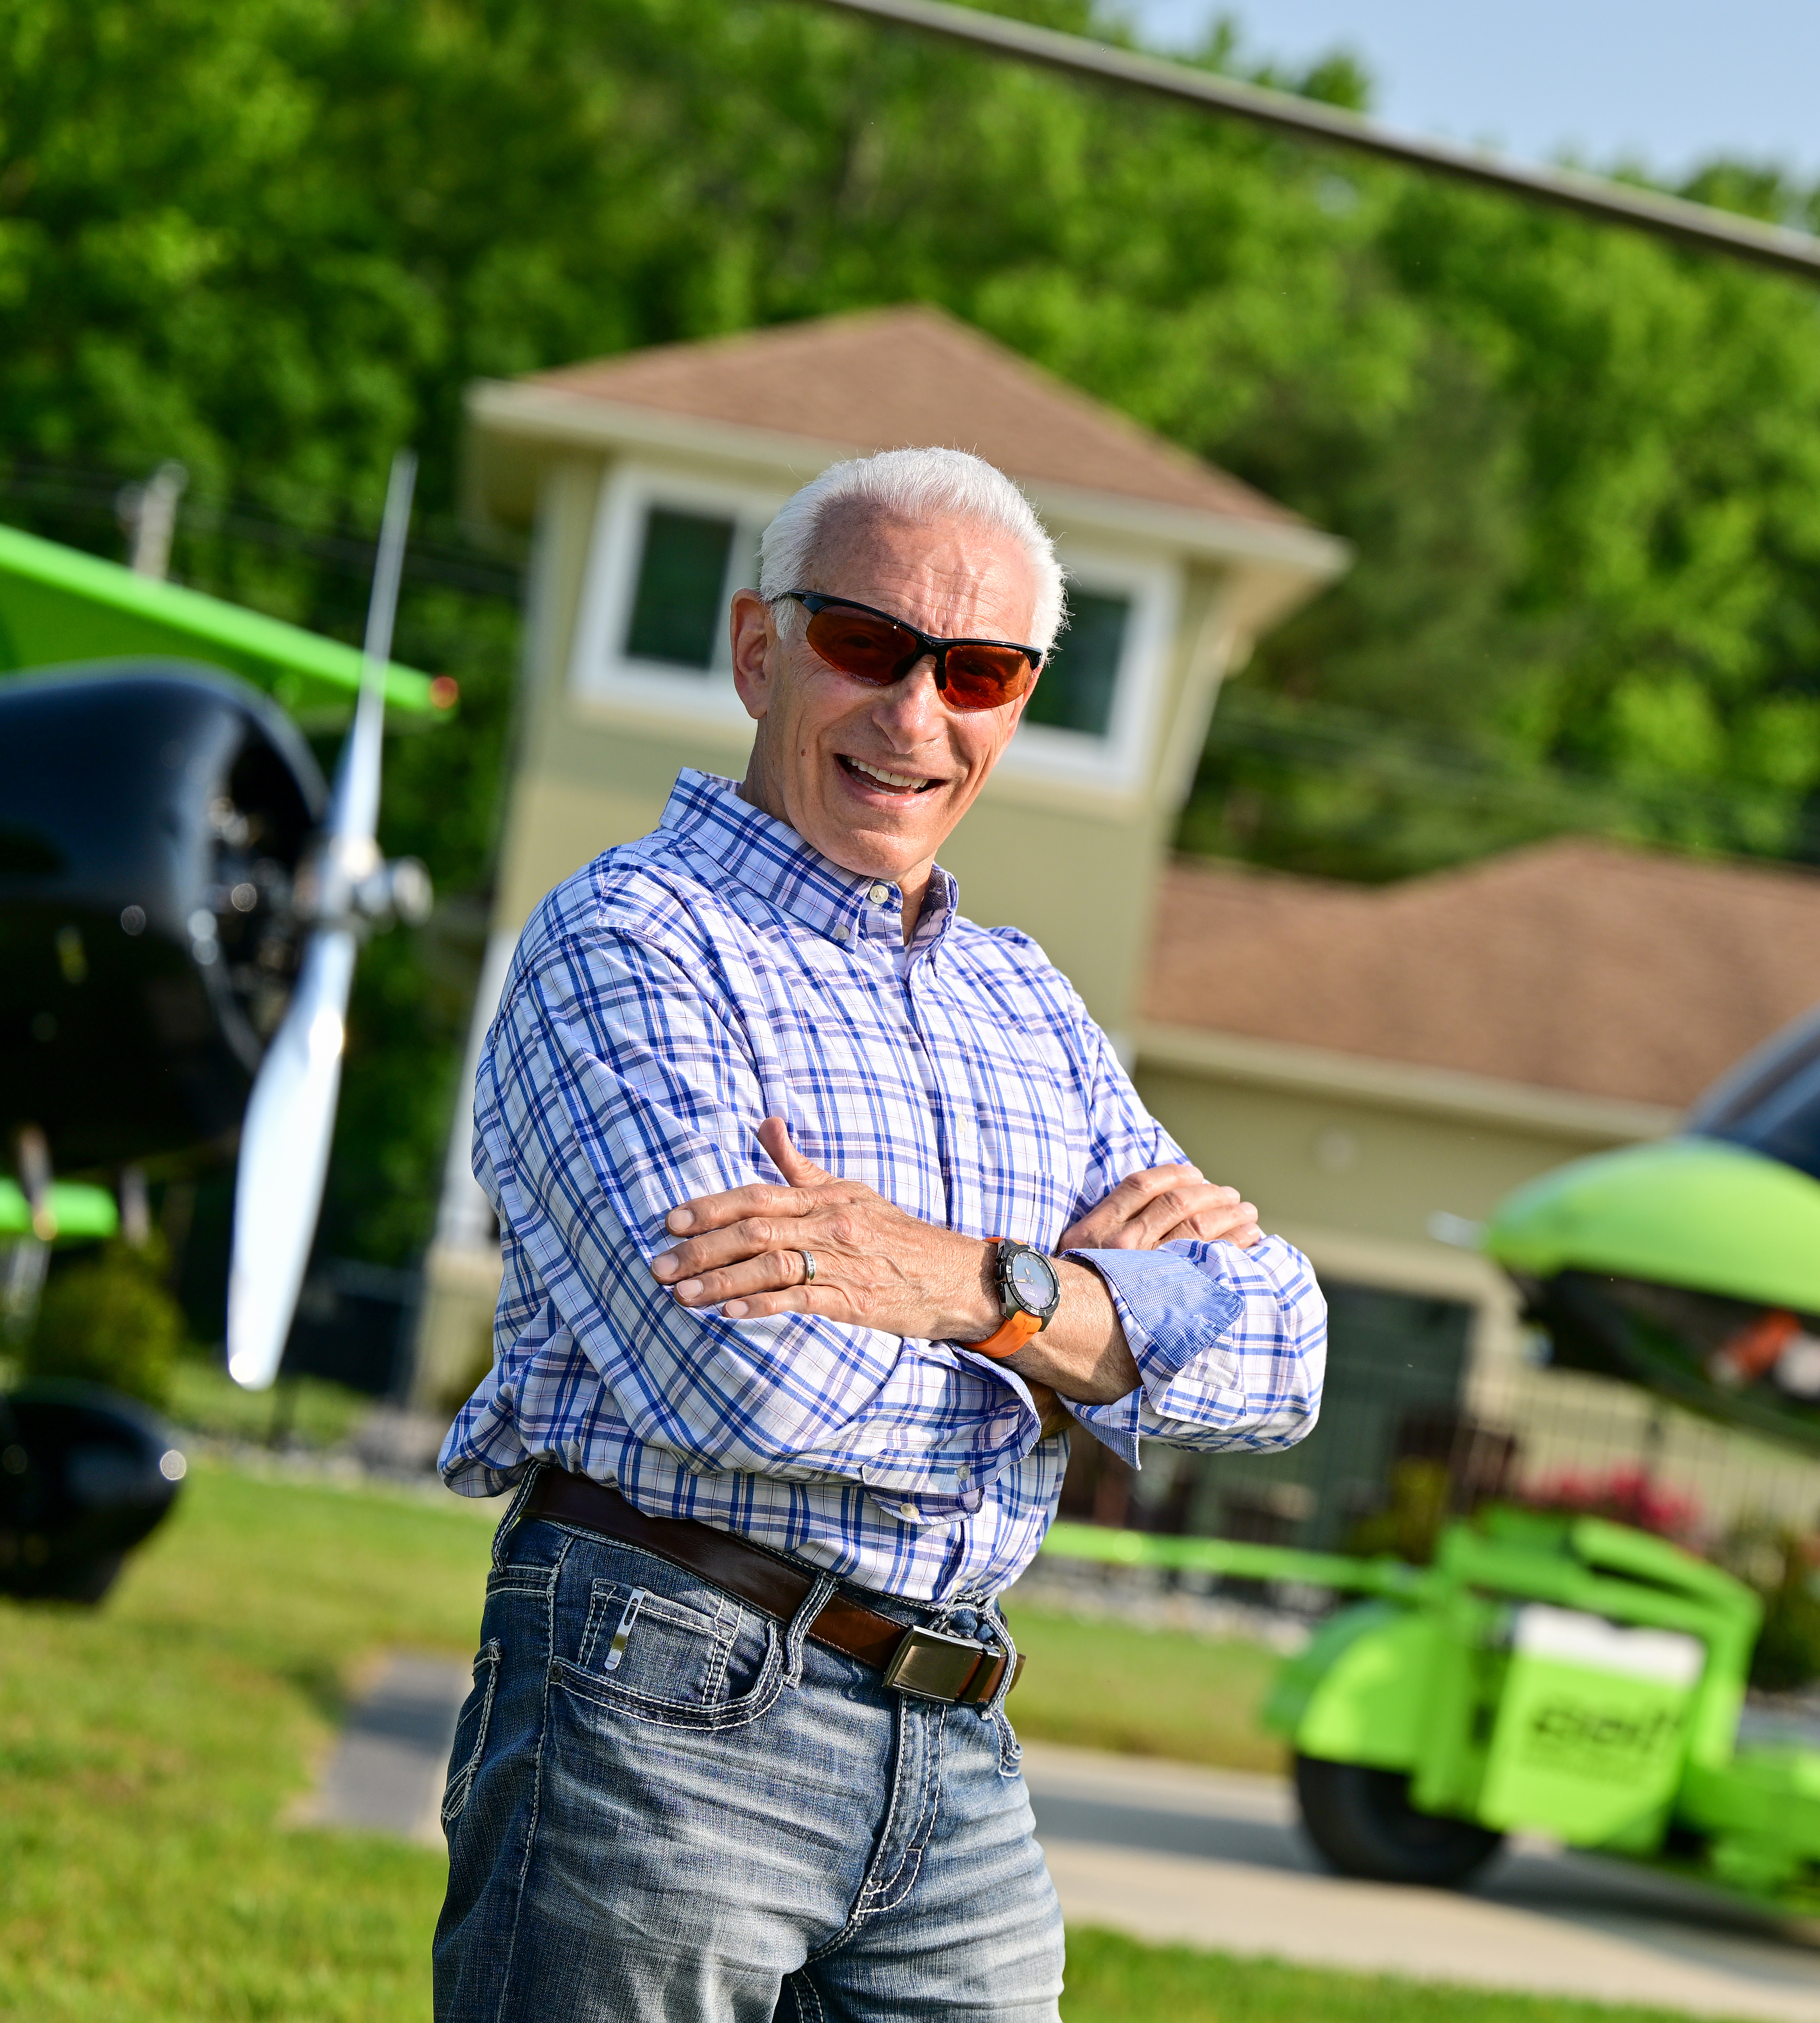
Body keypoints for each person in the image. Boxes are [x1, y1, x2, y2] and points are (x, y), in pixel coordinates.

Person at [430, 446, 1326, 2022]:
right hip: (662, 1697)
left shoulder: (1027, 1005)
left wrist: (962, 1284)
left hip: (958, 1745)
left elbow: (1285, 1347)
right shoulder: (630, 944)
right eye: (866, 645)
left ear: (1020, 698)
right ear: (759, 649)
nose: (919, 715)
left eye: (978, 669)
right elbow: (742, 1392)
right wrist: (1080, 1362)